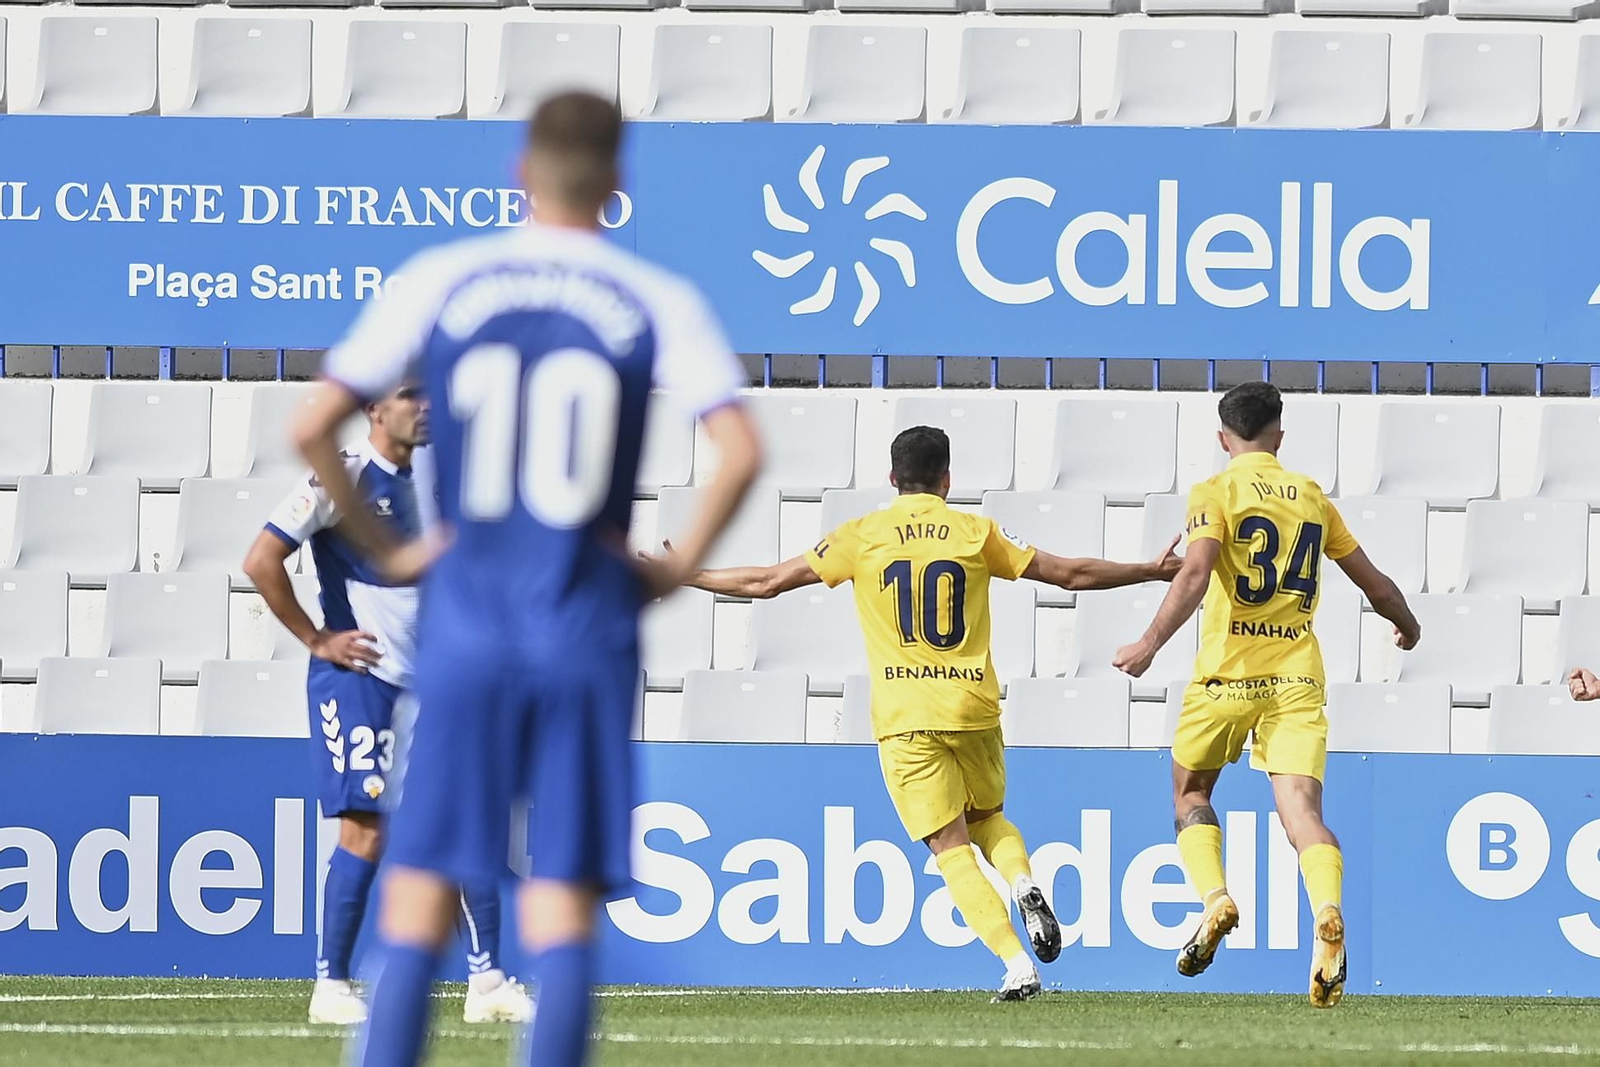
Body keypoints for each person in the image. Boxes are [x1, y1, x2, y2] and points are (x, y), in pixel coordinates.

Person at [289, 92, 762, 1067]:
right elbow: (741, 450)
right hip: (585, 624)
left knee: (418, 880)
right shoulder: (652, 296)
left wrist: (390, 548)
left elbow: (309, 425)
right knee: (562, 897)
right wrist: (663, 581)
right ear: (617, 183)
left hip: (466, 621)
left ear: (520, 173)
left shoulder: (447, 278)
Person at [652, 425, 1180, 1001]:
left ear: (891, 478)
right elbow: (1070, 575)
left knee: (950, 846)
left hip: (905, 717)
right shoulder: (976, 532)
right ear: (947, 480)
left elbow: (769, 581)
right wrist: (1149, 571)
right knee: (988, 820)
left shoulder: (864, 534)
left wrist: (691, 575)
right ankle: (1023, 880)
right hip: (974, 705)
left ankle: (1015, 963)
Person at [1112, 381, 1422, 1009]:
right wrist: (1408, 627)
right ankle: (1327, 910)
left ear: (1224, 438)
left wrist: (1147, 643)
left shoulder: (1215, 491)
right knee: (1302, 815)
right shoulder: (1311, 497)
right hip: (1297, 680)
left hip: (1227, 676)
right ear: (1279, 435)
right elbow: (1376, 584)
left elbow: (1196, 572)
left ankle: (1216, 899)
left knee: (1190, 792)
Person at [243, 384, 532, 1027]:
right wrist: (317, 639)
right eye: (409, 396)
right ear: (375, 409)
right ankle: (332, 986)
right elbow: (261, 560)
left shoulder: (444, 482)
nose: (425, 407)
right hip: (362, 680)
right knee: (367, 828)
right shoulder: (339, 480)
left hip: (436, 685)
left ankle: (487, 983)